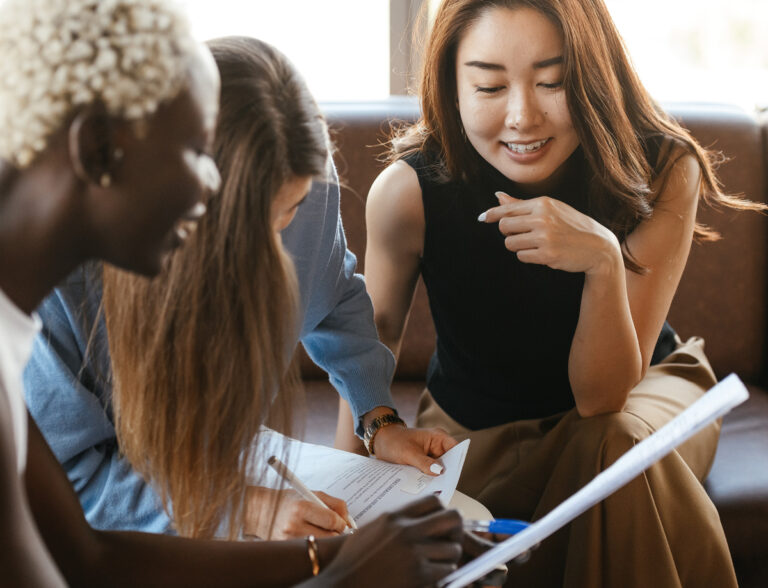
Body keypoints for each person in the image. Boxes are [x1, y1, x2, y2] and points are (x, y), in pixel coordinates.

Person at [1, 1, 466, 585]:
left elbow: (87, 556)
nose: (203, 189)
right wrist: (338, 570)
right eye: (194, 153)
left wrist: (335, 546)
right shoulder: (38, 311)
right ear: (100, 152)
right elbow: (78, 550)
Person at [335, 0, 767, 586]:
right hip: (475, 423)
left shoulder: (663, 167)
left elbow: (603, 398)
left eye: (553, 82)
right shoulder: (408, 191)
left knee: (610, 446)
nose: (522, 116)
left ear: (592, 74)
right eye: (488, 85)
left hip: (642, 395)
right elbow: (373, 337)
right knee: (599, 467)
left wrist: (604, 263)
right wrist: (338, 495)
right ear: (451, 86)